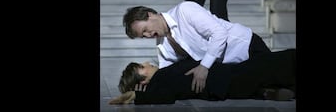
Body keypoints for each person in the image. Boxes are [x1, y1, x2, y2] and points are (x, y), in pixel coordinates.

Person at [122, 1, 271, 94]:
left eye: (145, 30)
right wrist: (147, 89)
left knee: (280, 76)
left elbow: (219, 33)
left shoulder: (185, 11)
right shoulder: (162, 44)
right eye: (143, 36)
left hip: (246, 46)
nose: (148, 35)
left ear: (150, 15)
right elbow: (166, 74)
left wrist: (203, 66)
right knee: (259, 85)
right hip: (231, 66)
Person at [109, 49, 296, 105]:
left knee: (274, 67)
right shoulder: (162, 80)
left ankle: (268, 91)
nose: (147, 64)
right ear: (144, 81)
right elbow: (166, 96)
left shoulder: (164, 75)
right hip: (229, 79)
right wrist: (138, 96)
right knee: (282, 61)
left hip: (229, 76)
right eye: (142, 67)